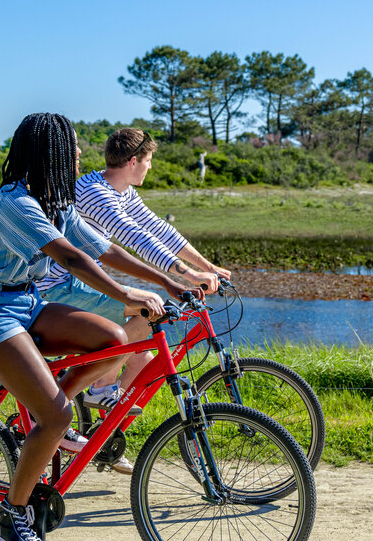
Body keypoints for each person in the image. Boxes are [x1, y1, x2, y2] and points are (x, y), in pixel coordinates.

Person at [0, 112, 188, 541]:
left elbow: (105, 248)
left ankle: (49, 420)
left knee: (112, 339)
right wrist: (125, 292)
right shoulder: (14, 203)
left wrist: (169, 283)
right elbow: (72, 258)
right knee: (58, 415)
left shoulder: (56, 202)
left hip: (25, 303)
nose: (81, 153)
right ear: (51, 153)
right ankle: (10, 517)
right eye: (73, 146)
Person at [37, 128, 231, 451]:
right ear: (132, 161)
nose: (150, 167)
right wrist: (184, 277)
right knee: (146, 312)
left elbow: (157, 229)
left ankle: (105, 441)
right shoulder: (95, 193)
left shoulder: (122, 190)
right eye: (148, 160)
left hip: (83, 281)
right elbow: (134, 239)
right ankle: (98, 387)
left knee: (142, 358)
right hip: (58, 285)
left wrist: (207, 268)